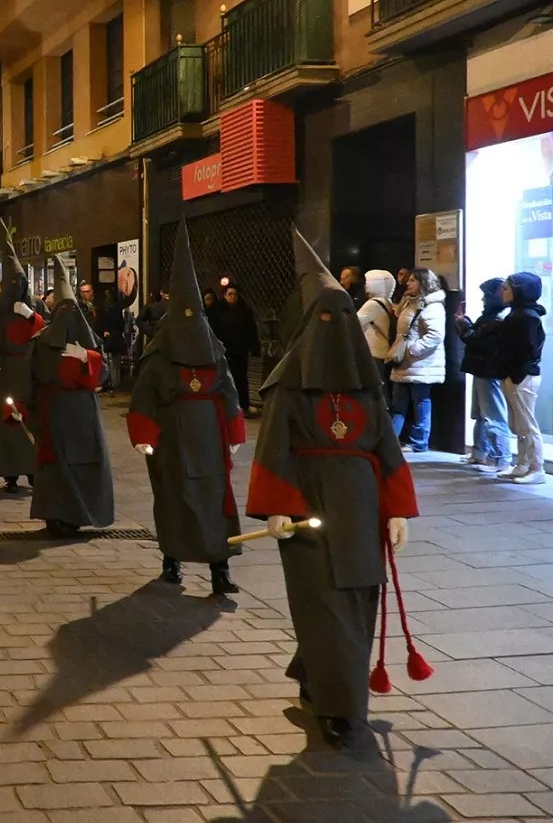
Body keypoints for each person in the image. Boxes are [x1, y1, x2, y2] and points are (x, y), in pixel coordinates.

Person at [246, 228, 428, 748]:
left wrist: (396, 512)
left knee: (355, 602)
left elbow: (387, 453)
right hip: (307, 510)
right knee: (322, 603)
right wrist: (275, 507)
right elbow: (273, 450)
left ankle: (317, 671)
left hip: (361, 513)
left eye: (340, 317)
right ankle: (340, 706)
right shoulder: (289, 385)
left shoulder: (368, 391)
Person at [127, 225, 244, 594]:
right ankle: (172, 560)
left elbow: (228, 391)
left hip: (210, 438)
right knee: (175, 499)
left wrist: (234, 430)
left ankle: (220, 569)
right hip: (173, 439)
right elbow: (144, 396)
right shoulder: (160, 354)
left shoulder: (214, 351)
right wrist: (144, 436)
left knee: (215, 500)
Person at [29, 259, 114, 537]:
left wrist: (85, 357)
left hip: (83, 414)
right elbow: (34, 377)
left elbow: (103, 375)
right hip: (54, 412)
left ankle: (81, 513)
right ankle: (56, 516)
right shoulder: (43, 342)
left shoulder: (89, 344)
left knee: (83, 464)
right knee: (56, 465)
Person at [0, 249, 43, 491]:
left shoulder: (36, 308)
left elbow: (47, 336)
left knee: (31, 422)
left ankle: (34, 469)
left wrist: (32, 317)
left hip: (28, 375)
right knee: (6, 427)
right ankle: (10, 472)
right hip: (2, 374)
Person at [456, 277, 511, 472]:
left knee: (492, 414)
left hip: (489, 369)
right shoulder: (495, 317)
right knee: (481, 413)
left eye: (487, 295)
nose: (483, 299)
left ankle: (500, 457)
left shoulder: (499, 318)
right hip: (482, 368)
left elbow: (477, 340)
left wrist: (463, 324)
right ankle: (480, 452)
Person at [388, 268, 446, 452]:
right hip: (404, 362)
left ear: (423, 283)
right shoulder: (409, 303)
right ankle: (390, 441)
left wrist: (412, 350)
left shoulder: (432, 306)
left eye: (413, 280)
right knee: (398, 403)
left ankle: (419, 442)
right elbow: (397, 315)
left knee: (420, 402)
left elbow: (435, 335)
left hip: (421, 363)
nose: (408, 283)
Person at [497, 272, 546, 484]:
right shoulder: (518, 315)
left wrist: (515, 374)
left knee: (527, 423)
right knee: (518, 423)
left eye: (507, 288)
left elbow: (527, 350)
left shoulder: (526, 317)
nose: (503, 292)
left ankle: (537, 467)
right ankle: (523, 463)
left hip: (522, 376)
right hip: (515, 374)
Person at [213, 285, 260, 415]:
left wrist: (254, 347)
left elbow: (251, 329)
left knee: (241, 378)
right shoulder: (218, 310)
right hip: (224, 351)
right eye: (230, 294)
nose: (232, 297)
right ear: (225, 295)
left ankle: (242, 406)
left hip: (240, 351)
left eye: (235, 294)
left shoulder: (244, 310)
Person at [355, 270, 397, 386]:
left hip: (373, 351)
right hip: (385, 350)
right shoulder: (388, 301)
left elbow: (355, 322)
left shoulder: (372, 303)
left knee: (375, 387)